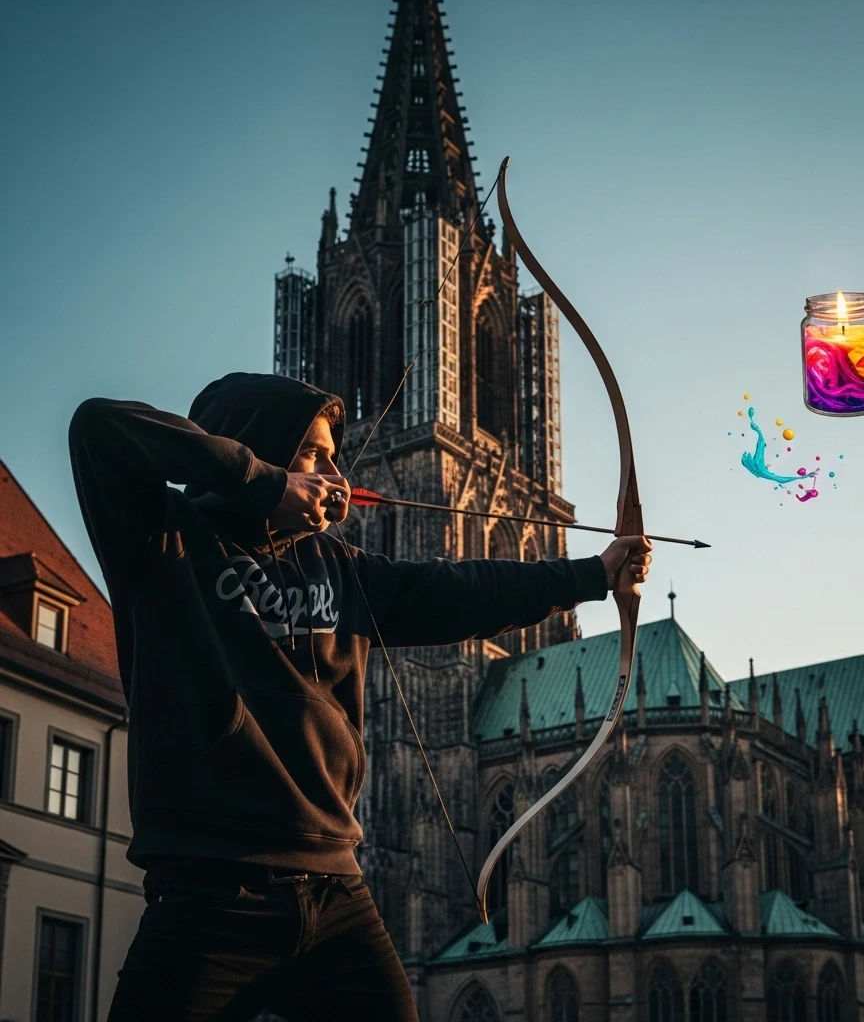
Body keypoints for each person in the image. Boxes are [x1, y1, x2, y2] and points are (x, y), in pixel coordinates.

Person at [69, 372, 653, 1022]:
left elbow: (460, 591)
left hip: (337, 892)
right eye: (313, 454)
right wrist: (268, 484)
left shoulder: (339, 568)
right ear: (257, 450)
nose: (333, 474)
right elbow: (100, 427)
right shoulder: (162, 541)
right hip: (209, 892)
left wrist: (592, 575)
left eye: (333, 456)